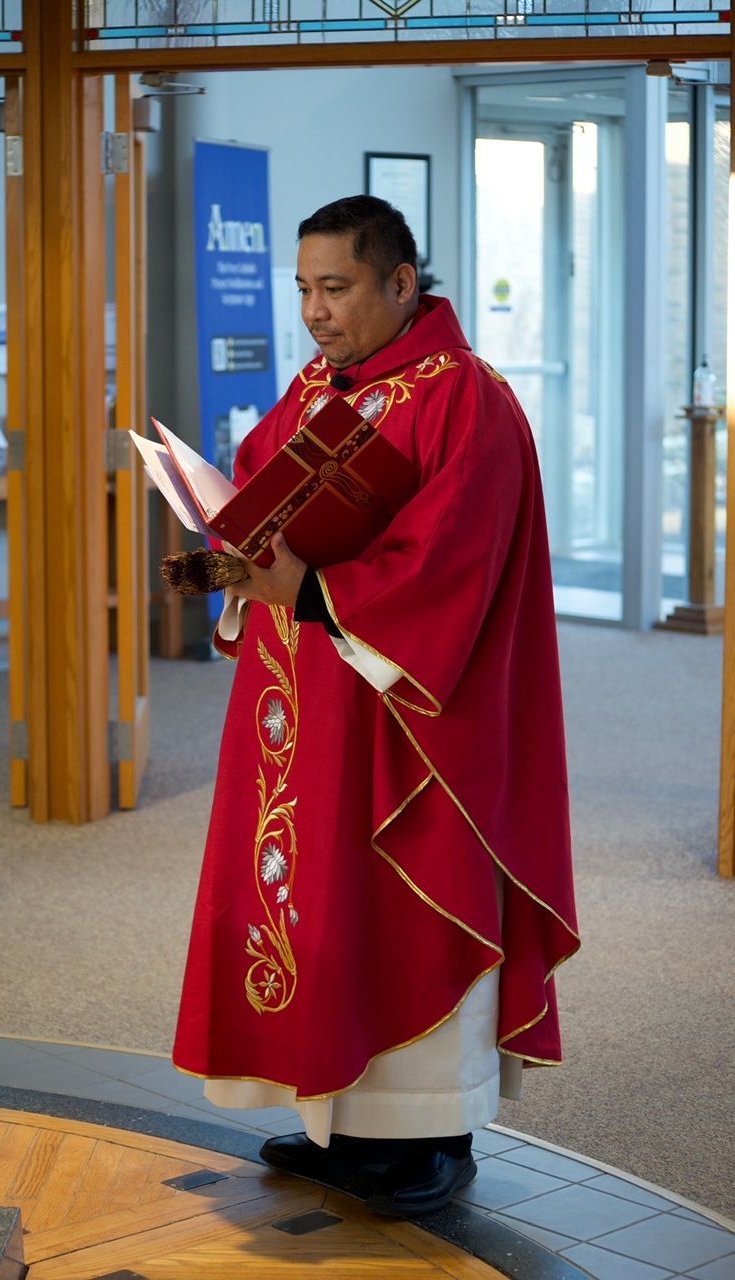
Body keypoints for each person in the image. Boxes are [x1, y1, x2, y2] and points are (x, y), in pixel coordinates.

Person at [172, 196, 579, 1217]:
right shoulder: (320, 386)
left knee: (406, 900)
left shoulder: (466, 399)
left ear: (400, 283)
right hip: (313, 703)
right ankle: (347, 1128)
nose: (315, 311)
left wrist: (312, 588)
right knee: (324, 897)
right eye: (303, 289)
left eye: (335, 288)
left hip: (417, 721)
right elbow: (259, 487)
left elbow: (451, 563)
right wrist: (228, 545)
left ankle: (430, 1133)